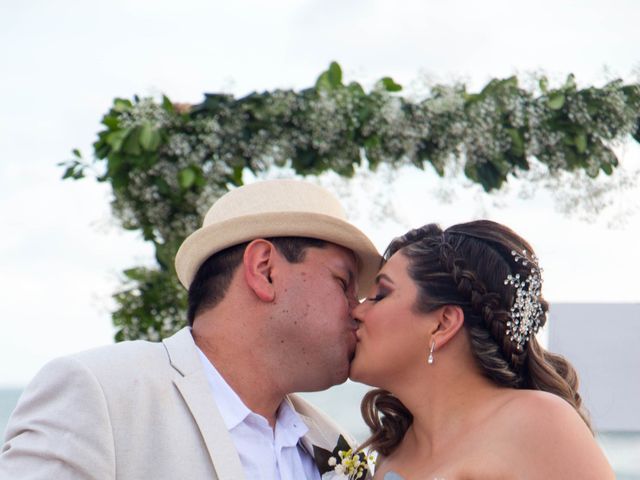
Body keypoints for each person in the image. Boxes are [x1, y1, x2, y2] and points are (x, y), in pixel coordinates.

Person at [0, 179, 381, 480]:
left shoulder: (336, 446)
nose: (358, 310)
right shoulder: (99, 393)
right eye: (343, 282)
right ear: (264, 270)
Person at [350, 220, 615, 479]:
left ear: (443, 324)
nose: (357, 310)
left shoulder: (538, 423)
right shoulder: (390, 455)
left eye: (380, 295)